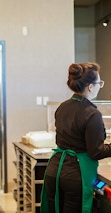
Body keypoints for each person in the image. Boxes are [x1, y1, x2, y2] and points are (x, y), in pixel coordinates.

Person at [41, 62, 111, 213]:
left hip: (55, 171)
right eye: (99, 83)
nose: (100, 86)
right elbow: (96, 152)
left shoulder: (63, 107)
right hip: (75, 175)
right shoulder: (92, 113)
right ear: (90, 87)